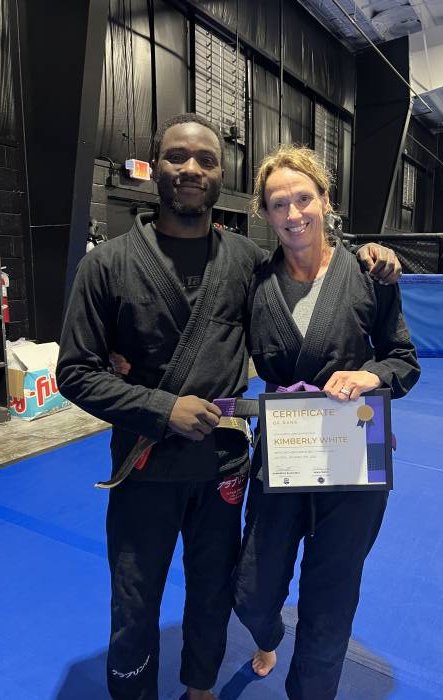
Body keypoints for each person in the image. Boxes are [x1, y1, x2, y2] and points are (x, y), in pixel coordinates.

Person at [56, 113, 402, 700]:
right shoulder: (106, 265)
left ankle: (201, 687)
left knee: (214, 590)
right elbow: (74, 372)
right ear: (153, 167)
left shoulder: (245, 262)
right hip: (146, 464)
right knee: (135, 600)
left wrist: (371, 255)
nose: (191, 169)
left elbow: (317, 281)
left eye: (207, 160)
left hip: (225, 464)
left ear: (222, 177)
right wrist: (160, 407)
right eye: (176, 157)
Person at [233, 145, 421, 700]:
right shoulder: (255, 283)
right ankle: (268, 636)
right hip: (284, 448)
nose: (293, 214)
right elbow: (208, 338)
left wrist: (369, 375)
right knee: (252, 590)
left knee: (331, 597)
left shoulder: (369, 274)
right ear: (265, 213)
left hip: (354, 450)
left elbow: (403, 360)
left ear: (325, 201)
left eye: (303, 198)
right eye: (278, 203)